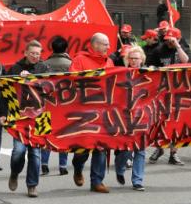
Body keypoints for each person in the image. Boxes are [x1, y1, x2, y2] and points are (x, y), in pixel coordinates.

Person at [2, 40, 49, 198]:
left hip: (40, 117)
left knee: (35, 154)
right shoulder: (15, 68)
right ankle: (15, 173)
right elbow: (5, 90)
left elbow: (50, 89)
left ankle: (32, 185)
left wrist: (34, 78)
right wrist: (2, 114)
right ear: (26, 53)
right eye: (32, 53)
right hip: (19, 116)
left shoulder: (44, 68)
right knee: (18, 151)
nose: (35, 56)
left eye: (38, 53)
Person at [70, 33, 114, 193]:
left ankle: (97, 181)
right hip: (84, 111)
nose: (108, 47)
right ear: (95, 44)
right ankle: (78, 166)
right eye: (105, 44)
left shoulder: (109, 61)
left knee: (101, 146)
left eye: (108, 44)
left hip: (103, 111)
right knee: (83, 149)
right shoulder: (80, 60)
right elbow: (72, 81)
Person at [147, 27, 191, 166]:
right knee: (161, 122)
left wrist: (177, 46)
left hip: (179, 92)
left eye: (172, 41)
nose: (168, 43)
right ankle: (159, 148)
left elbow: (187, 62)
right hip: (162, 91)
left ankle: (174, 153)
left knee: (176, 123)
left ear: (178, 39)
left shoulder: (183, 49)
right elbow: (149, 67)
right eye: (167, 40)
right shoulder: (158, 50)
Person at [114, 45, 149, 191]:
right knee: (126, 149)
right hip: (124, 116)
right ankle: (119, 167)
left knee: (140, 149)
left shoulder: (149, 74)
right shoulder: (121, 74)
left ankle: (137, 180)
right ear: (127, 60)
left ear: (142, 59)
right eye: (131, 58)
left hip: (142, 116)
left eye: (137, 58)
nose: (134, 61)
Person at [41, 36, 71, 176]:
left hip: (46, 103)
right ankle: (63, 165)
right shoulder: (71, 64)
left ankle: (44, 163)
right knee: (63, 135)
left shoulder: (44, 64)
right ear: (66, 48)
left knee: (45, 134)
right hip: (65, 105)